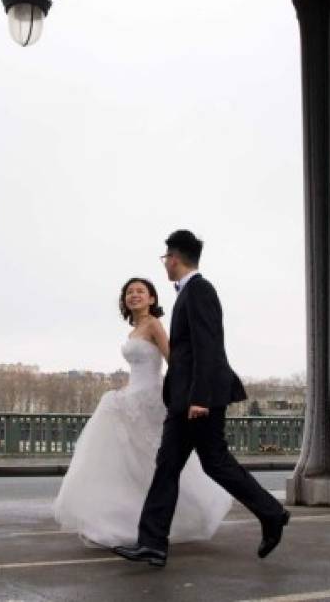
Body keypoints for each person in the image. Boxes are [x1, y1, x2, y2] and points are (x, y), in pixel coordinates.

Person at [112, 230, 290, 568]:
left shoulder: (199, 291)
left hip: (196, 400)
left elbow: (209, 346)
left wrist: (200, 398)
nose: (165, 264)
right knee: (181, 465)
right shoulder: (190, 293)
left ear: (174, 259)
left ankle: (271, 513)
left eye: (166, 258)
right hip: (187, 398)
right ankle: (153, 544)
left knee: (206, 463)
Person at [52, 277, 232, 548]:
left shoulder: (154, 325)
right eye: (130, 292)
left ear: (152, 299)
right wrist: (125, 391)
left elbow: (175, 361)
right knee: (135, 464)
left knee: (151, 463)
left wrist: (181, 396)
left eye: (140, 291)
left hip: (150, 400)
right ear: (124, 300)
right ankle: (131, 520)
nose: (134, 295)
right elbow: (138, 371)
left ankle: (158, 521)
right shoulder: (135, 329)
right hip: (133, 396)